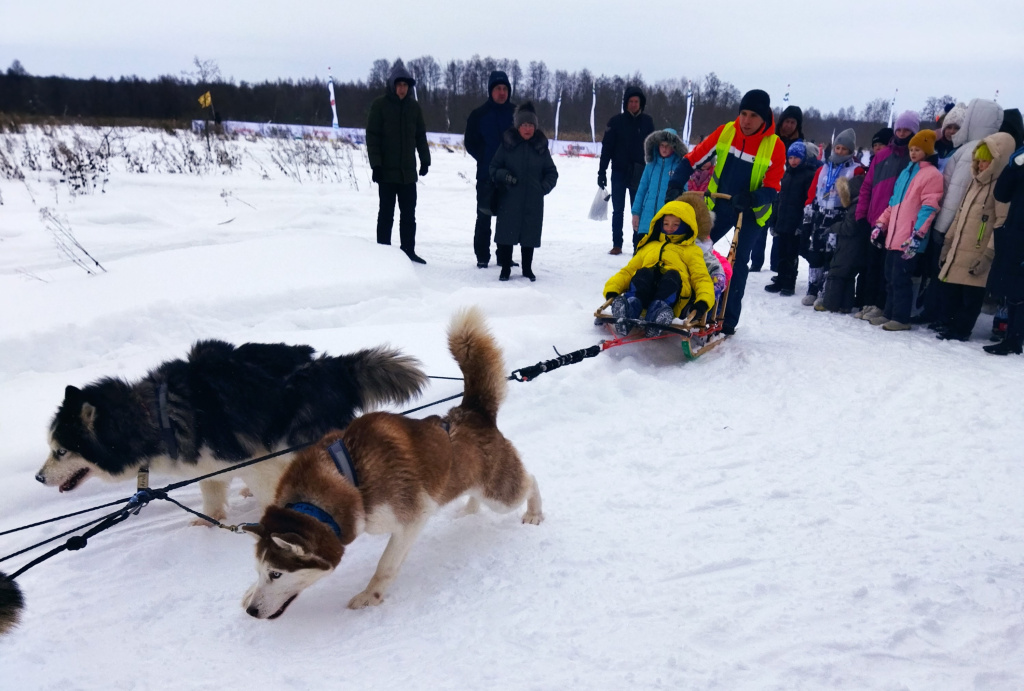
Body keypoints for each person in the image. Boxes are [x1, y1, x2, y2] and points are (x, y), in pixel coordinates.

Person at [664, 89, 786, 335]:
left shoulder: (774, 145)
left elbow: (773, 188)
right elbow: (692, 159)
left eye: (753, 115)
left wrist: (752, 197)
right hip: (719, 205)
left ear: (764, 118)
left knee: (738, 260)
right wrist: (676, 183)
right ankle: (678, 302)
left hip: (751, 212)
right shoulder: (726, 132)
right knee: (694, 248)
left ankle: (728, 319)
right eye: (743, 113)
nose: (746, 121)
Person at [923, 100, 1003, 324]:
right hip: (962, 224)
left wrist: (941, 226)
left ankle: (937, 314)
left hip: (951, 224)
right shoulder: (983, 149)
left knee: (942, 272)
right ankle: (941, 315)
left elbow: (955, 194)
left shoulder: (972, 151)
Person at [934, 133, 1014, 341]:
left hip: (977, 252)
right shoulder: (974, 183)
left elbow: (1001, 223)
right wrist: (948, 243)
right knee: (951, 291)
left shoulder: (1001, 187)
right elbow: (960, 215)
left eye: (985, 161)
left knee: (970, 297)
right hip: (959, 249)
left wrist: (988, 254)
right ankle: (948, 324)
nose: (979, 165)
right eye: (978, 160)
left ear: (998, 160)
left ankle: (961, 329)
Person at [604, 199, 715, 337]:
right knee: (643, 272)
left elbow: (701, 278)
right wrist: (612, 289)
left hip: (671, 297)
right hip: (645, 293)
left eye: (676, 225)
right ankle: (629, 308)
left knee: (672, 275)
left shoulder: (691, 251)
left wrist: (703, 302)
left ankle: (659, 313)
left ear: (687, 226)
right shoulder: (649, 246)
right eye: (666, 223)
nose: (669, 228)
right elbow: (628, 271)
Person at [868, 129, 944, 331]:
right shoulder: (906, 172)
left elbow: (929, 207)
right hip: (893, 236)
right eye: (911, 149)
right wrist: (881, 223)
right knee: (890, 278)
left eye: (918, 149)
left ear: (926, 151)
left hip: (909, 239)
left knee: (901, 279)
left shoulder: (932, 175)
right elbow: (894, 203)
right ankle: (889, 312)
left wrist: (918, 234)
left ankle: (901, 318)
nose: (913, 153)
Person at [853, 112, 920, 321]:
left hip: (899, 224)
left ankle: (883, 305)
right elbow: (867, 186)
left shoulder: (915, 158)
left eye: (906, 130)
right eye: (899, 129)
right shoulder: (882, 156)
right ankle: (869, 302)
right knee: (871, 264)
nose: (901, 134)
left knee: (888, 268)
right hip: (876, 220)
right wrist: (861, 214)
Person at [366, 64, 431, 264]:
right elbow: (372, 136)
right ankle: (383, 252)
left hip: (408, 174)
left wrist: (425, 159)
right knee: (386, 214)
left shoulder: (414, 107)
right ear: (392, 85)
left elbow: (420, 135)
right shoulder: (380, 105)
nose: (402, 88)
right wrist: (376, 165)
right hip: (386, 172)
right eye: (399, 84)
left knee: (409, 215)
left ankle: (408, 251)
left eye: (405, 85)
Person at [489, 102, 558, 282]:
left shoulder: (541, 148)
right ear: (518, 126)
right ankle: (505, 269)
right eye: (524, 125)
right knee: (506, 234)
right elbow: (494, 168)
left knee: (529, 235)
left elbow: (552, 173)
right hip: (509, 199)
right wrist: (505, 177)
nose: (527, 129)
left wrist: (542, 188)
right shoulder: (507, 145)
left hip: (533, 201)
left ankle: (527, 269)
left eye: (531, 125)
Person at [801, 128, 861, 308]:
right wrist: (808, 214)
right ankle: (812, 288)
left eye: (844, 149)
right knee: (815, 253)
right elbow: (813, 192)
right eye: (838, 148)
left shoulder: (855, 170)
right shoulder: (824, 168)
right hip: (820, 215)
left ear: (851, 151)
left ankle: (825, 291)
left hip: (838, 217)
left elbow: (856, 196)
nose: (840, 152)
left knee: (831, 255)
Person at [464, 71, 516, 269]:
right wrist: (485, 158)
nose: (501, 92)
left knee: (507, 218)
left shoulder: (516, 113)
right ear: (490, 91)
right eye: (498, 89)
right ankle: (482, 256)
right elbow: (470, 142)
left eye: (504, 89)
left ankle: (504, 256)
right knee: (484, 215)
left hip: (510, 175)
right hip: (486, 174)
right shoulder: (479, 114)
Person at [597, 86, 655, 255]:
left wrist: (652, 172)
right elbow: (606, 148)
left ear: (641, 103)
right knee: (618, 209)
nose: (633, 104)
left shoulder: (647, 122)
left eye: (636, 101)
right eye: (630, 101)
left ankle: (638, 244)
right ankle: (617, 244)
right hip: (619, 172)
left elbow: (653, 149)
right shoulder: (616, 122)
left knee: (638, 209)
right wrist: (602, 172)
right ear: (626, 103)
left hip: (640, 173)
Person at [750, 105, 804, 272]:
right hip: (768, 187)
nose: (789, 125)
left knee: (779, 230)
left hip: (786, 193)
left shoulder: (800, 144)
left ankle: (776, 265)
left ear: (797, 125)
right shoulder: (772, 139)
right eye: (786, 121)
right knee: (761, 226)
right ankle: (756, 262)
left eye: (793, 122)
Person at [765, 141, 821, 296]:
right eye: (790, 158)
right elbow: (779, 199)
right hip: (783, 221)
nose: (793, 161)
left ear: (803, 158)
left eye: (797, 158)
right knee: (781, 252)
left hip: (796, 223)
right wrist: (774, 220)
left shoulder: (808, 175)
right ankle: (781, 279)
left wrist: (802, 225)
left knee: (791, 254)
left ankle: (789, 283)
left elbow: (807, 202)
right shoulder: (787, 174)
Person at [985, 143, 1024, 354]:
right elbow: (1002, 194)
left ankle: (1015, 338)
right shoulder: (1021, 163)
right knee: (1014, 288)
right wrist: (1012, 167)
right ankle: (1012, 338)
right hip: (1016, 232)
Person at [631, 128, 688, 251]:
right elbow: (642, 189)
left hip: (667, 224)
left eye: (668, 145)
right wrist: (636, 213)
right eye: (662, 145)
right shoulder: (650, 165)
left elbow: (685, 194)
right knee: (640, 256)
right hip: (646, 221)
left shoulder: (680, 167)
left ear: (674, 147)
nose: (664, 148)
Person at [819, 171, 867, 312]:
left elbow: (849, 228)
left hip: (848, 247)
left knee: (836, 273)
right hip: (856, 248)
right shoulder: (860, 206)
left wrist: (834, 227)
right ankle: (846, 305)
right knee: (848, 275)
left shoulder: (855, 208)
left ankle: (830, 304)